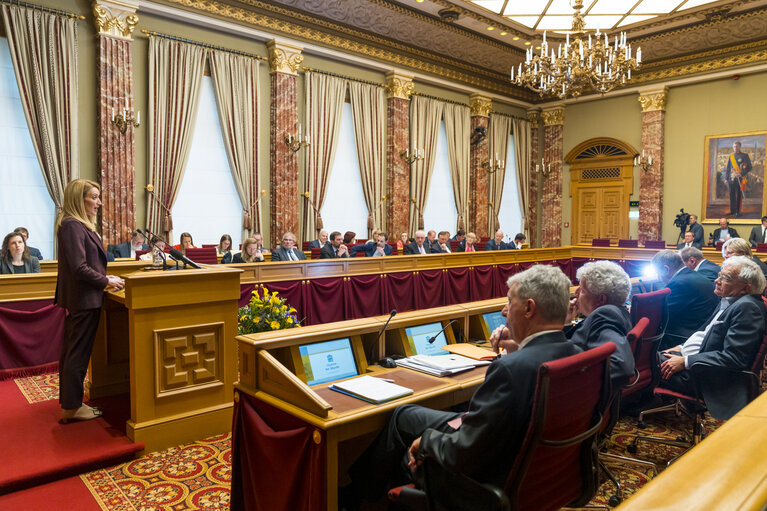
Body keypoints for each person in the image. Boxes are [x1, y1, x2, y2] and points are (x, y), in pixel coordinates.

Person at [343, 265, 581, 506]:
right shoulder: (576, 354)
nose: (503, 311)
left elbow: (464, 453)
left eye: (510, 302)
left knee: (410, 438)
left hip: (482, 482)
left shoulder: (511, 371)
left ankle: (361, 499)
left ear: (529, 308)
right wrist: (515, 349)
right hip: (539, 475)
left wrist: (426, 441)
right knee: (405, 414)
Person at [659, 256, 766, 419]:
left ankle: (627, 410)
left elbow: (734, 358)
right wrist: (680, 348)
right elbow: (704, 334)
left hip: (706, 377)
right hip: (694, 362)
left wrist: (685, 361)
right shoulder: (730, 300)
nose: (717, 280)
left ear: (746, 288)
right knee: (646, 357)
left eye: (725, 278)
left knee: (639, 359)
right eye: (719, 275)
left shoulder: (747, 308)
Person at [55, 179, 124, 423]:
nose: (99, 202)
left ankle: (70, 404)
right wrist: (105, 281)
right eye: (94, 197)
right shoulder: (73, 225)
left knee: (73, 353)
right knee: (77, 355)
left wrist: (106, 277)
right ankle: (72, 408)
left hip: (84, 298)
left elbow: (86, 265)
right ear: (78, 199)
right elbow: (79, 268)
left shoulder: (75, 225)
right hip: (84, 300)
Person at [563, 260, 635, 387]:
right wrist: (569, 322)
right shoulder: (615, 311)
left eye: (582, 290)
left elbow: (621, 365)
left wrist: (573, 381)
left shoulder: (604, 316)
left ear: (601, 299)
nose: (576, 293)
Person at [651, 250, 720, 350]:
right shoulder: (692, 275)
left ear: (666, 269)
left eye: (657, 273)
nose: (658, 278)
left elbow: (660, 313)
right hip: (699, 330)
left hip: (683, 338)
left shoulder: (680, 283)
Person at [724, 140, 752, 218]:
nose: (735, 148)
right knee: (732, 195)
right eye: (734, 147)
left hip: (740, 179)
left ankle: (738, 212)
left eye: (737, 146)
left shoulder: (744, 156)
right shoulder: (731, 156)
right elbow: (728, 168)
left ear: (740, 147)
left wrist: (741, 173)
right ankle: (732, 210)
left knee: (738, 196)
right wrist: (726, 178)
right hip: (731, 179)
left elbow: (749, 167)